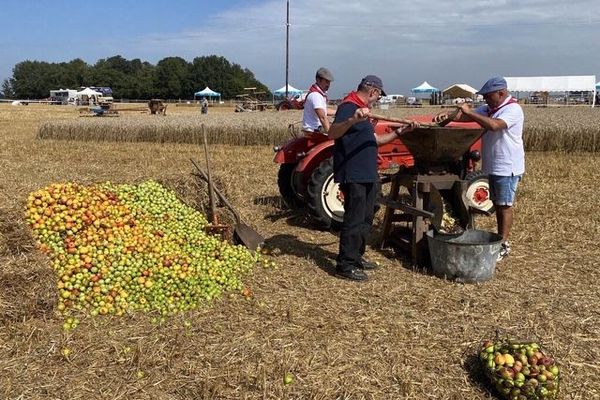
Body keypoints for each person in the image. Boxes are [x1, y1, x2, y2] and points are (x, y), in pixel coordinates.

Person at [328, 75, 418, 281]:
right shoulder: (349, 107)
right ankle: (345, 265)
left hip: (368, 173)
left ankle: (357, 256)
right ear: (373, 91)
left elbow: (375, 141)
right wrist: (352, 120)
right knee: (354, 218)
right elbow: (332, 134)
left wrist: (401, 132)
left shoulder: (364, 112)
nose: (377, 100)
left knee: (367, 217)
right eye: (378, 96)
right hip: (354, 173)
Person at [434, 76, 524, 261]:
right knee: (498, 203)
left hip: (507, 166)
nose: (485, 100)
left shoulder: (512, 109)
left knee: (504, 206)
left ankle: (503, 244)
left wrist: (469, 112)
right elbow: (465, 115)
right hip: (493, 165)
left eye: (488, 96)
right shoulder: (490, 108)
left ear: (501, 93)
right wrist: (448, 115)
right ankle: (500, 240)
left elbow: (494, 125)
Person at [302, 67, 336, 135]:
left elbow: (324, 110)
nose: (328, 85)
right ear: (318, 80)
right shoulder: (316, 95)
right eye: (326, 81)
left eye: (329, 82)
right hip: (314, 132)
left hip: (314, 131)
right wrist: (331, 134)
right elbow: (322, 117)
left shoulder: (318, 94)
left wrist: (340, 111)